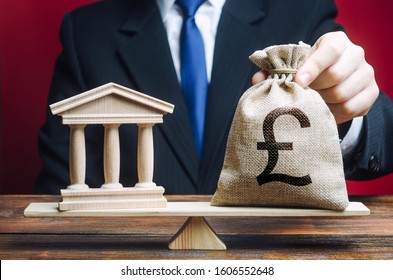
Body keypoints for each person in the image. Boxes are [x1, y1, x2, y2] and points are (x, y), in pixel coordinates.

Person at [35, 0, 393, 194]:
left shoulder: (301, 10)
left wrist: (347, 116)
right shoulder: (87, 32)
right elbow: (58, 186)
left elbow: (384, 136)